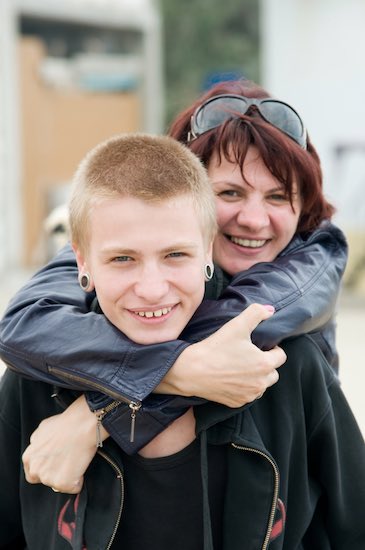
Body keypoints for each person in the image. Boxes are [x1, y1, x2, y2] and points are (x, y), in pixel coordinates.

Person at [1, 132, 364, 550]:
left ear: (208, 251)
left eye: (176, 255)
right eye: (123, 258)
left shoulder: (286, 365)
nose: (152, 289)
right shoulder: (35, 382)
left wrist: (100, 412)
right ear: (81, 260)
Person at [0, 80, 347, 462]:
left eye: (277, 196)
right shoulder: (118, 242)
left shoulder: (313, 264)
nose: (253, 219)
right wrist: (176, 372)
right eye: (230, 193)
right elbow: (24, 325)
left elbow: (243, 329)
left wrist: (96, 415)